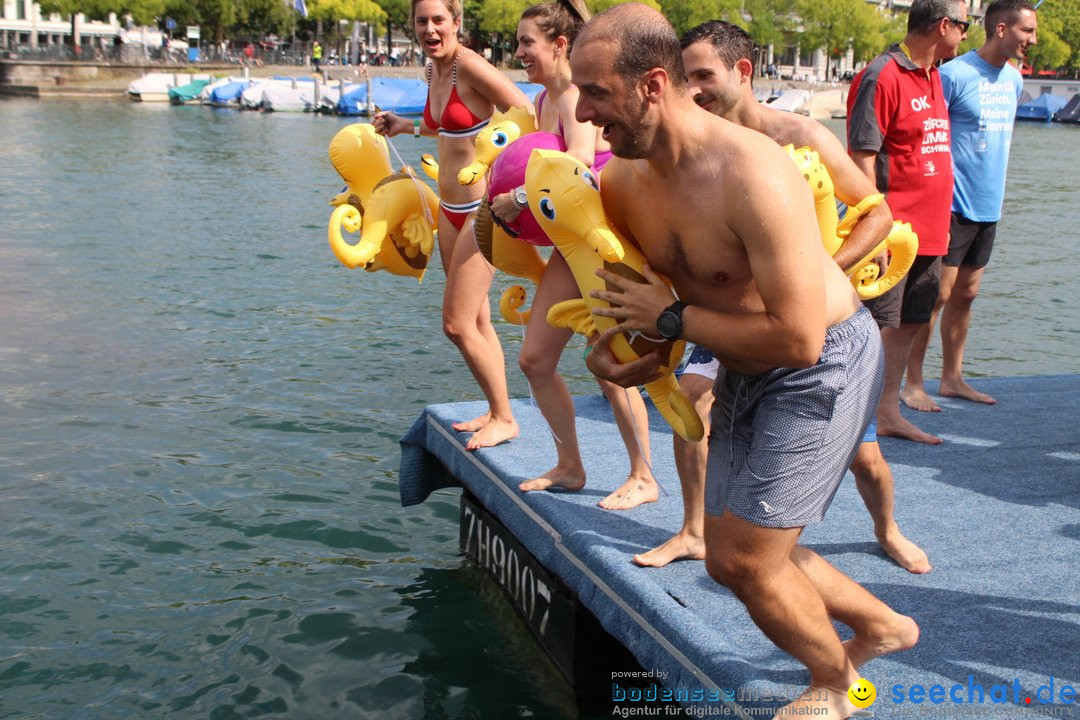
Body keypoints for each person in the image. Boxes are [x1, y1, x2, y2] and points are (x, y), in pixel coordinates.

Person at [572, 5, 919, 717]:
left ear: (651, 84)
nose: (583, 110)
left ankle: (837, 687)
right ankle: (882, 629)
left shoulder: (751, 173)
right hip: (740, 358)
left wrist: (670, 321)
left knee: (742, 561)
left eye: (596, 92)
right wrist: (620, 356)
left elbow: (798, 340)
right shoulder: (621, 183)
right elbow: (634, 308)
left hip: (822, 360)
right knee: (740, 550)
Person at [632, 20, 929, 574]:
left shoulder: (800, 136)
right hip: (722, 315)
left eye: (705, 75)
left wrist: (822, 274)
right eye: (685, 76)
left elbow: (878, 211)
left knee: (865, 456)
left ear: (743, 72)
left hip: (804, 322)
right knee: (690, 399)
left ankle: (887, 527)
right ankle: (694, 529)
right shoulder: (681, 150)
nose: (693, 90)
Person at [487, 0, 657, 509]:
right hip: (567, 242)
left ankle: (644, 476)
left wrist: (516, 199)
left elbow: (579, 163)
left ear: (559, 45)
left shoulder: (575, 98)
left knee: (611, 362)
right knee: (535, 359)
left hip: (602, 237)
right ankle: (570, 465)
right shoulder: (542, 100)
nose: (518, 52)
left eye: (526, 43)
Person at [374, 0, 529, 450]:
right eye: (421, 21)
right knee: (477, 316)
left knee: (456, 324)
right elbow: (448, 130)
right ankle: (497, 407)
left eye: (439, 20)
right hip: (449, 209)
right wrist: (405, 127)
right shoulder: (432, 71)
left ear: (456, 23)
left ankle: (505, 417)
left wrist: (509, 180)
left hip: (484, 208)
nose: (430, 29)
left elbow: (522, 113)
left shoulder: (469, 65)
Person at [847, 0, 969, 444]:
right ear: (943, 26)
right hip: (893, 232)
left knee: (911, 321)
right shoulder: (882, 75)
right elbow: (861, 155)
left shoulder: (935, 74)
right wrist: (873, 229)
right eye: (964, 27)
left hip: (933, 229)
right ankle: (847, 420)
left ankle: (887, 412)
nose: (966, 36)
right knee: (873, 324)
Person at [905, 0, 1037, 408]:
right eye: (1026, 31)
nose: (1032, 40)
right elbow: (927, 136)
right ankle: (912, 384)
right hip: (951, 205)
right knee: (935, 296)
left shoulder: (1013, 80)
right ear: (1001, 29)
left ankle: (952, 378)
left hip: (989, 205)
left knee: (968, 293)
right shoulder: (953, 75)